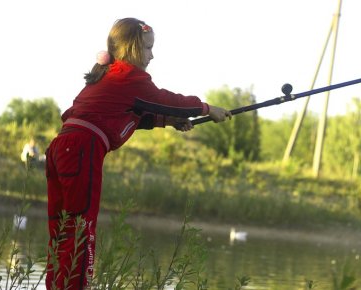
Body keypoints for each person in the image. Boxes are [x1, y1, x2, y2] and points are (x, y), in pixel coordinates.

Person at [45, 17, 231, 289]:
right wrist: (206, 108)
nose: (152, 55)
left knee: (61, 227)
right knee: (81, 227)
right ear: (132, 48)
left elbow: (133, 114)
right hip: (83, 149)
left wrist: (167, 121)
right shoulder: (130, 76)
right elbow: (166, 100)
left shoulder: (108, 75)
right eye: (148, 48)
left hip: (61, 148)